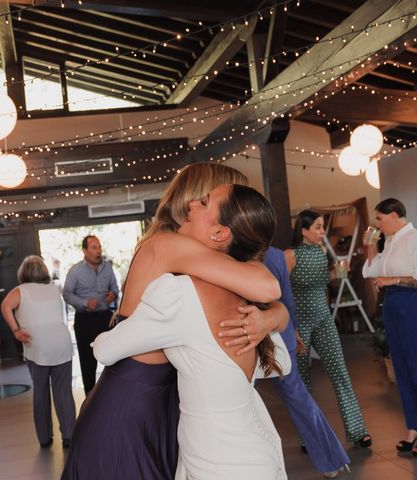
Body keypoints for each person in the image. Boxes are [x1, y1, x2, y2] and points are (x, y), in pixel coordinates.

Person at [61, 163, 287, 480]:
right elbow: (267, 285)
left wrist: (273, 315)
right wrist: (276, 313)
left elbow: (262, 292)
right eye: (207, 199)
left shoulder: (196, 258)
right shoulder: (170, 245)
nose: (198, 205)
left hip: (165, 408)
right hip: (132, 409)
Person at [362, 198, 417, 457]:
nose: (377, 223)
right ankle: (413, 427)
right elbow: (371, 271)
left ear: (395, 215)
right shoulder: (391, 240)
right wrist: (371, 247)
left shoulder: (416, 240)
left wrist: (393, 279)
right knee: (403, 370)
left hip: (415, 305)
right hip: (394, 305)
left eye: (380, 218)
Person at [285, 210, 371, 447]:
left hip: (323, 318)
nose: (323, 231)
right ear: (303, 230)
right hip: (298, 323)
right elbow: (282, 292)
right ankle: (308, 437)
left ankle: (357, 431)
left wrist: (337, 273)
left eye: (323, 227)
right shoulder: (290, 255)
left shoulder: (321, 251)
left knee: (340, 374)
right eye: (318, 227)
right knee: (302, 382)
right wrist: (290, 329)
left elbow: (322, 282)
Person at [264, 246, 350, 478]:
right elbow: (287, 298)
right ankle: (331, 459)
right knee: (298, 396)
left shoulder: (228, 254)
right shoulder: (275, 254)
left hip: (251, 334)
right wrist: (292, 330)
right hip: (280, 332)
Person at [0, 255, 76, 449]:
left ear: (23, 272)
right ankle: (69, 434)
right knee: (64, 392)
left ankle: (44, 438)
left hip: (37, 345)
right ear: (43, 271)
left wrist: (16, 330)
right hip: (61, 342)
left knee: (41, 393)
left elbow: (5, 306)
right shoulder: (54, 288)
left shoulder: (20, 291)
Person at [62, 235, 119, 395]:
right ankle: (90, 398)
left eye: (99, 247)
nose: (98, 251)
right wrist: (85, 303)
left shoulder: (107, 267)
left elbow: (115, 288)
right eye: (94, 247)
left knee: (113, 358)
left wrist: (113, 295)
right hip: (84, 320)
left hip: (105, 318)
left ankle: (114, 393)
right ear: (85, 250)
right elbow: (66, 294)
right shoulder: (76, 271)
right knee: (87, 363)